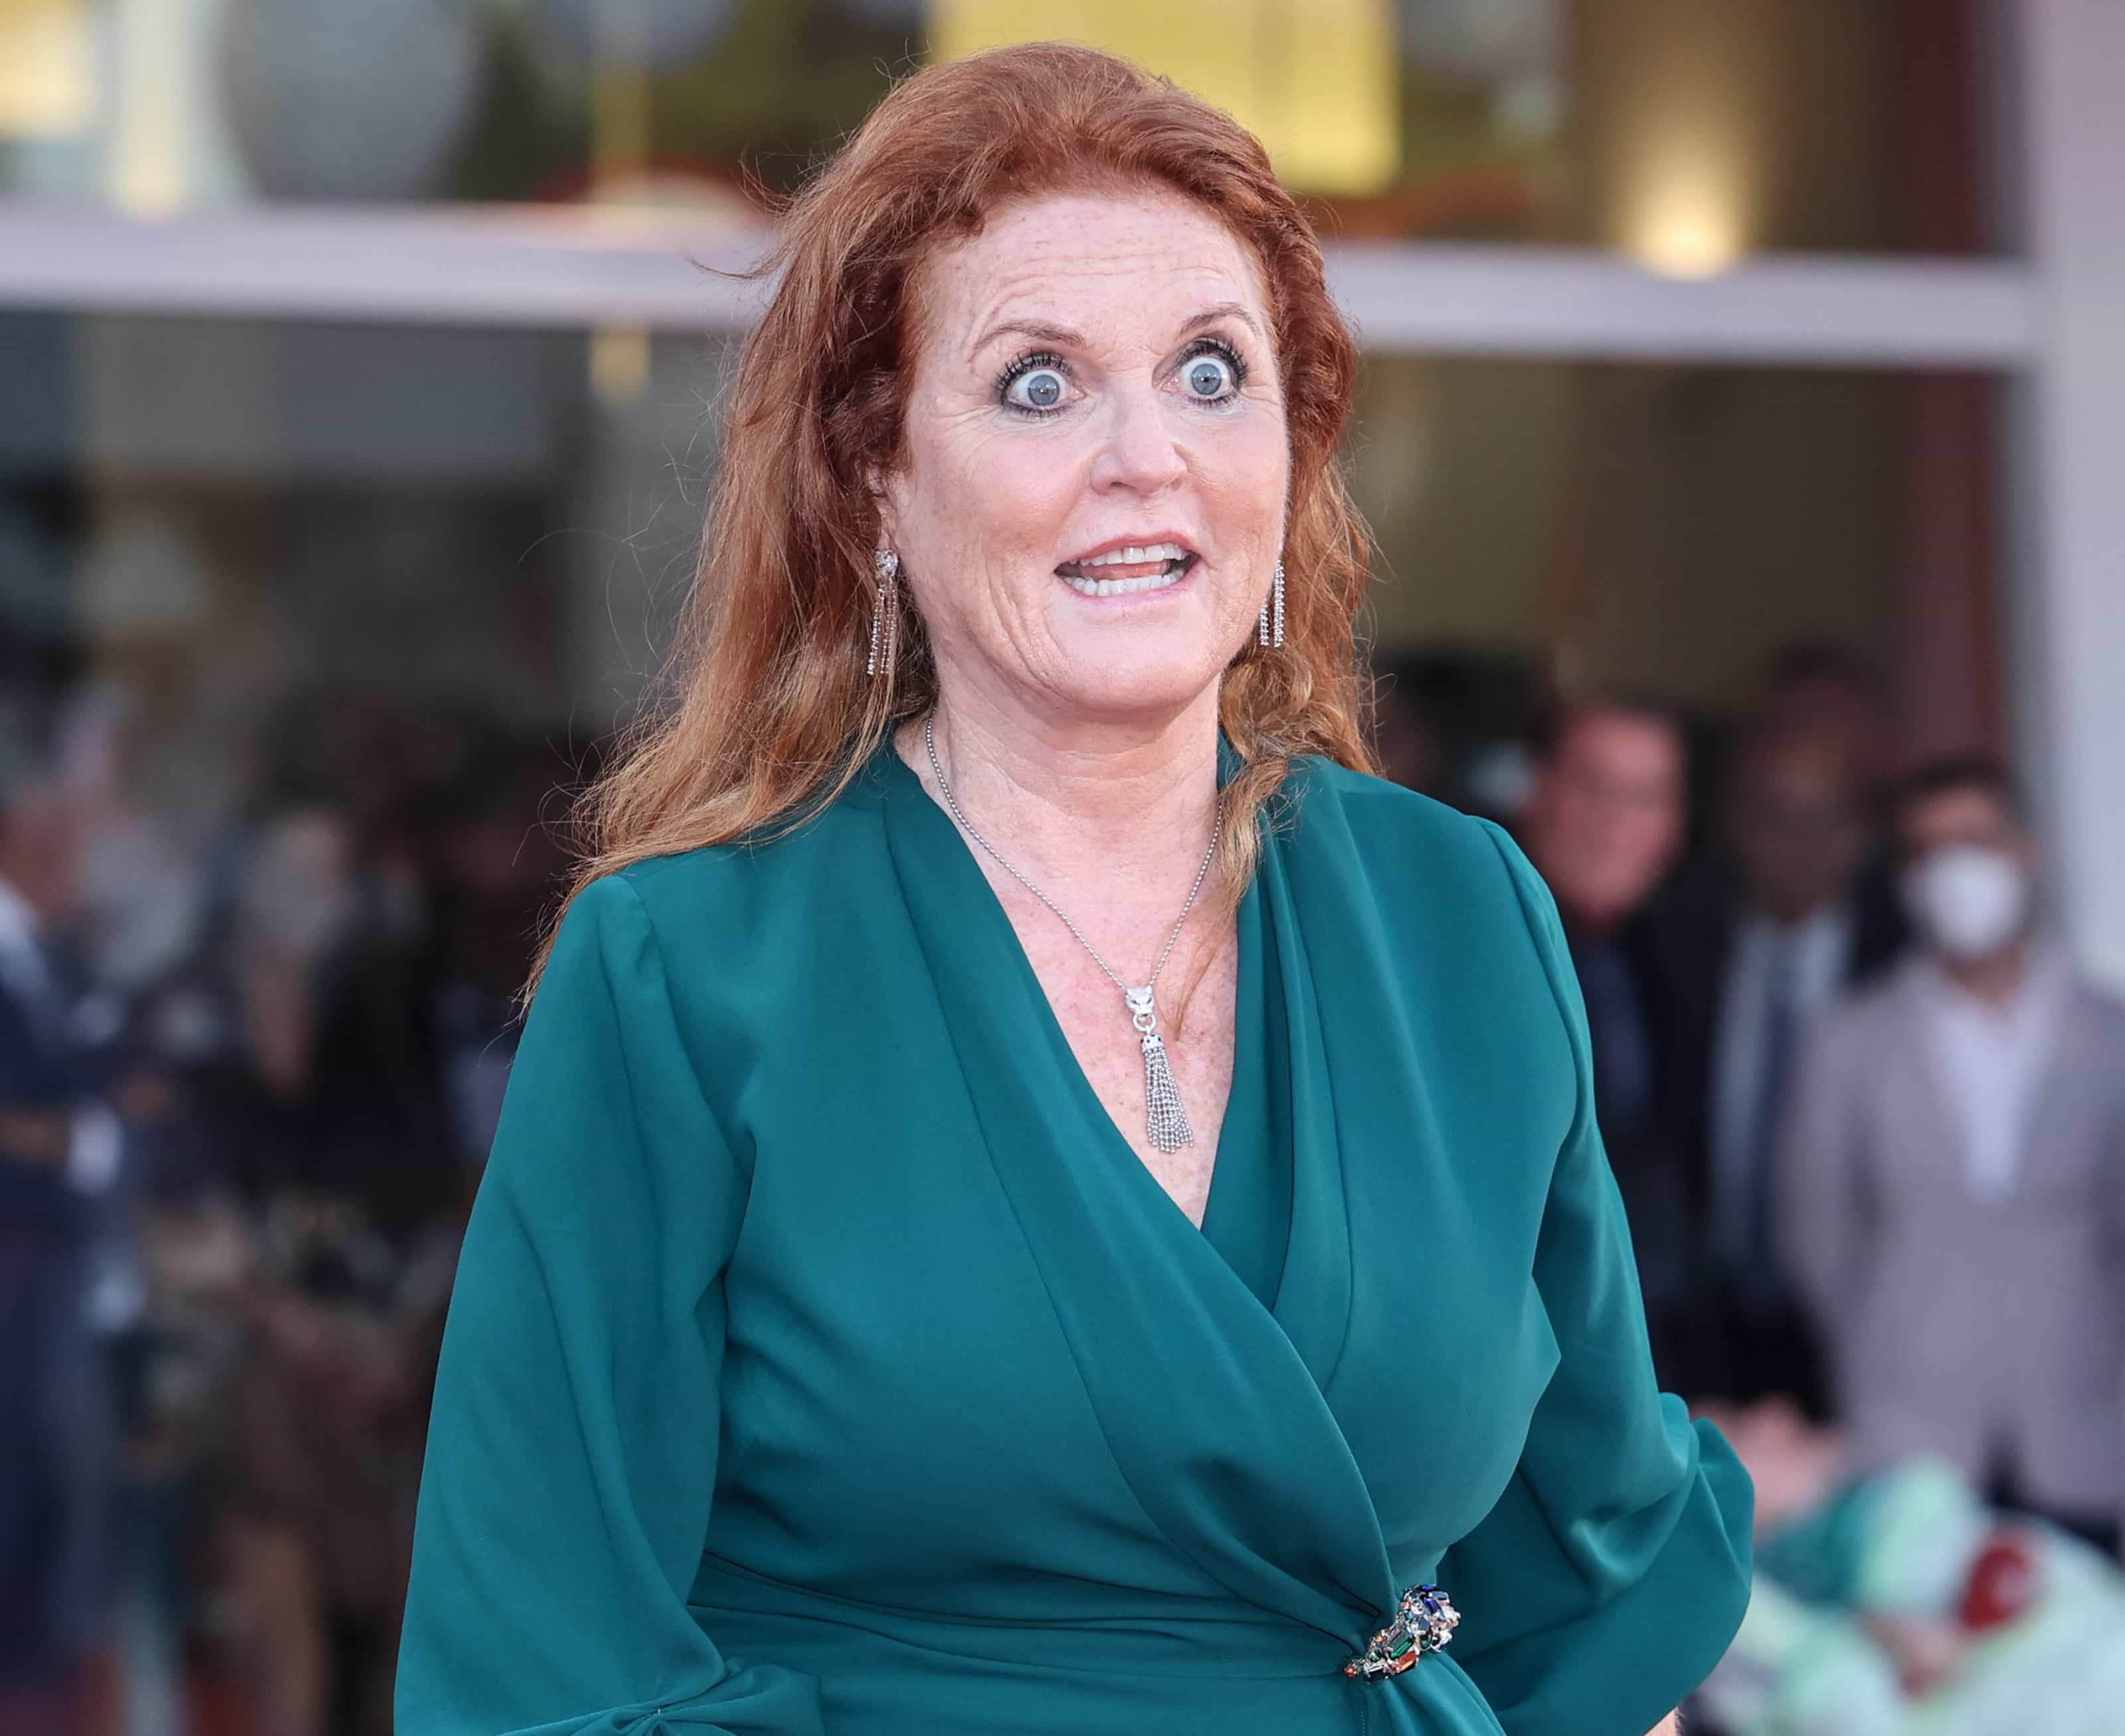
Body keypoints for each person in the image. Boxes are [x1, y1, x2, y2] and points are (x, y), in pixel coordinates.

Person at [396, 44, 1752, 1736]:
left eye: (1211, 371)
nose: (1147, 454)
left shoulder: (1459, 916)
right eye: (1039, 383)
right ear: (877, 476)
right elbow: (545, 1663)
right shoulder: (687, 968)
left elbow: (1596, 1596)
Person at [1778, 756, 2125, 1558]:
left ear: (2026, 851)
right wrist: (1885, 1344)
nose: (1953, 872)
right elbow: (1814, 1234)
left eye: (1974, 840)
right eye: (1927, 851)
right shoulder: (1847, 1040)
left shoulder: (2108, 1034)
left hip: (2083, 1436)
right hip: (1907, 1439)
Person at [1666, 723, 1905, 1412]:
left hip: (1865, 1323)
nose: (1799, 844)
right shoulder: (1676, 953)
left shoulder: (1900, 962)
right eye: (1773, 816)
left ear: (1858, 834)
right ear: (1734, 827)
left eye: (1821, 819)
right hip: (1709, 1324)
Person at [1517, 697, 1697, 1384]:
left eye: (1644, 797)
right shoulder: (1465, 950)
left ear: (1675, 828)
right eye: (1588, 785)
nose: (1611, 822)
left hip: (1656, 1359)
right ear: (1536, 792)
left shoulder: (1686, 966)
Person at [0, 752, 106, 1736]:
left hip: (56, 1254)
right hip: (16, 1252)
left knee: (50, 1477)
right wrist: (62, 1138)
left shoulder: (57, 952)